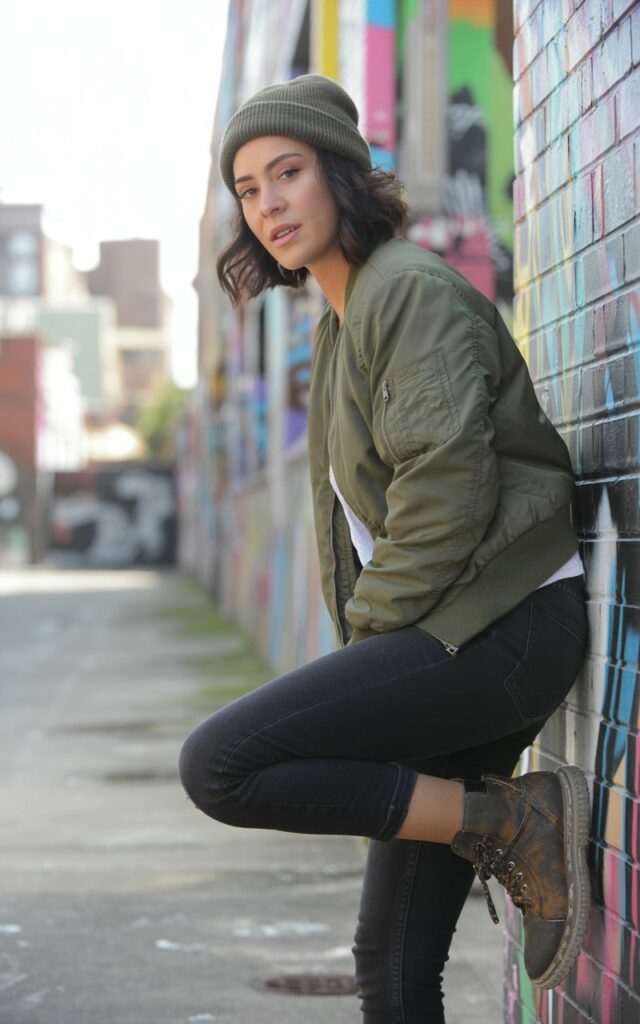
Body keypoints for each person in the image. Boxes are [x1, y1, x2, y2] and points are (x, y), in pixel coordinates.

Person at [179, 75, 591, 1022]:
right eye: (247, 188)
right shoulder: (343, 318)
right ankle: (496, 822)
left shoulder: (406, 291)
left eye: (288, 173)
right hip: (466, 630)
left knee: (222, 764)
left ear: (342, 176)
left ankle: (506, 819)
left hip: (502, 629)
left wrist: (370, 645)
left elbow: (446, 490)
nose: (269, 203)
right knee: (393, 962)